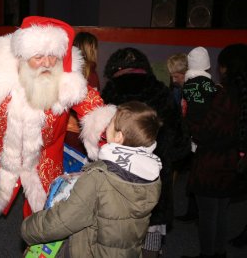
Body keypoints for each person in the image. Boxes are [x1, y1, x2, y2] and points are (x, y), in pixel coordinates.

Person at [0, 16, 115, 218]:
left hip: (46, 156)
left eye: (53, 56)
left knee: (45, 215)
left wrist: (111, 132)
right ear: (22, 56)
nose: (47, 63)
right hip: (2, 152)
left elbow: (94, 109)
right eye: (38, 57)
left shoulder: (68, 81)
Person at [21, 101, 162, 258]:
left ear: (119, 136)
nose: (107, 124)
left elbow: (63, 220)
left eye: (111, 122)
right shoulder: (152, 176)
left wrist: (29, 228)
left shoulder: (99, 177)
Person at [101, 47, 191, 258]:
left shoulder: (111, 91)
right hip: (155, 174)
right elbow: (181, 143)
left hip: (119, 173)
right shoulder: (161, 90)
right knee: (153, 222)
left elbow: (98, 133)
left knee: (119, 225)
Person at [182, 44, 247, 258]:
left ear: (225, 67)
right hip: (232, 161)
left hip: (213, 161)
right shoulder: (240, 93)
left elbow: (206, 131)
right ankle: (219, 253)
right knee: (221, 212)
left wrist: (190, 120)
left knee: (208, 214)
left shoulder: (226, 94)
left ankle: (208, 254)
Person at [166, 52, 198, 223]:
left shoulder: (195, 90)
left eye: (177, 76)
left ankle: (194, 213)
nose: (174, 79)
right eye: (171, 76)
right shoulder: (178, 89)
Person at [64, 31, 100, 154]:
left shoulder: (69, 69)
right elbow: (92, 108)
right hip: (79, 130)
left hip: (64, 126)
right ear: (91, 49)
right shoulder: (91, 73)